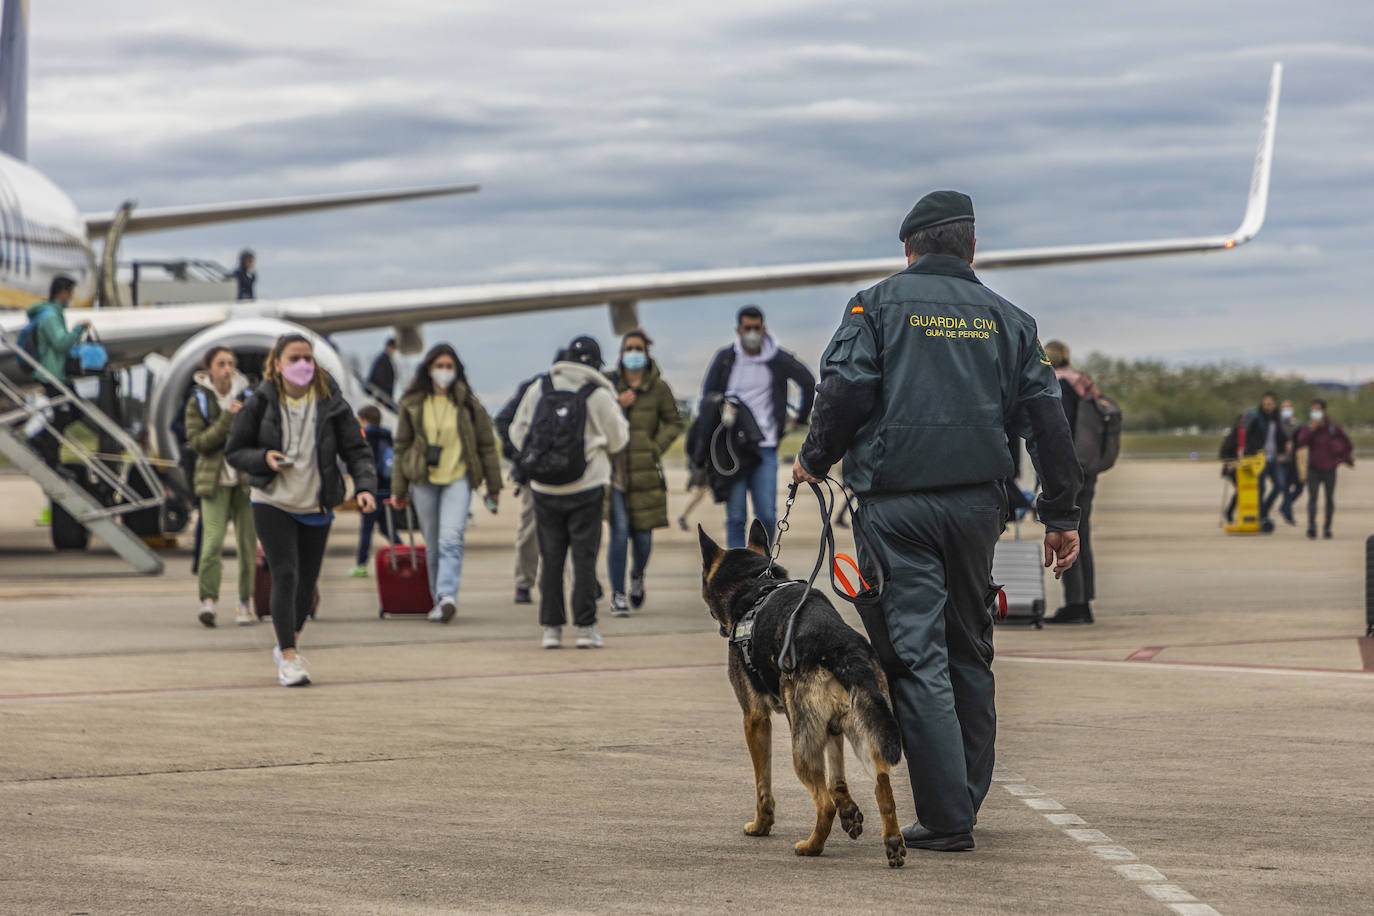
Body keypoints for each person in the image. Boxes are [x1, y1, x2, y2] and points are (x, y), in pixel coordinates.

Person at [793, 190, 1082, 852]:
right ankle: (963, 797)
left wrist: (813, 458)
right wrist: (1060, 515)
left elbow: (842, 392)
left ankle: (948, 817)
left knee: (917, 657)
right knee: (970, 649)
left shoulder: (875, 306)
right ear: (972, 249)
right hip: (978, 506)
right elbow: (1048, 423)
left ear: (908, 249)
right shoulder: (1012, 320)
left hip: (897, 510)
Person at [226, 334, 377, 687]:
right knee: (286, 573)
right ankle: (290, 658)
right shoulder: (260, 402)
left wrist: (365, 487)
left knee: (307, 586)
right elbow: (235, 450)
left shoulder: (332, 402)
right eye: (295, 358)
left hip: (316, 502)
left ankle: (287, 639)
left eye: (308, 358)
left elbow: (357, 449)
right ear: (277, 364)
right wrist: (263, 458)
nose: (304, 365)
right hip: (272, 500)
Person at [509, 336, 629, 649]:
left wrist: (541, 460)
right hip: (587, 486)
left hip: (545, 488)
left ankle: (551, 628)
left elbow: (517, 430)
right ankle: (586, 628)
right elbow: (618, 440)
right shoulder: (599, 393)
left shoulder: (541, 386)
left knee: (551, 559)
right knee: (584, 558)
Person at [387, 344, 502, 622]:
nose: (444, 372)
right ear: (428, 369)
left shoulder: (469, 405)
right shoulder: (412, 403)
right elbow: (402, 446)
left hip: (458, 478)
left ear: (457, 371)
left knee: (451, 538)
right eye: (440, 366)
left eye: (450, 367)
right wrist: (398, 490)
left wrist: (494, 487)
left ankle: (447, 594)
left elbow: (487, 447)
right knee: (434, 544)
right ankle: (438, 599)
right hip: (423, 479)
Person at [699, 305, 815, 549]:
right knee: (736, 517)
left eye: (756, 328)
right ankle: (736, 571)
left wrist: (801, 417)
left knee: (767, 515)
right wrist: (720, 406)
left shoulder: (776, 359)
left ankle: (762, 565)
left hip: (765, 447)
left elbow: (807, 380)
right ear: (738, 330)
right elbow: (707, 395)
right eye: (747, 328)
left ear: (764, 329)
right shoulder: (727, 359)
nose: (752, 333)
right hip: (733, 451)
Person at [606, 330, 683, 616]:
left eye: (638, 348)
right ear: (621, 352)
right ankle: (617, 594)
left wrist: (654, 447)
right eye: (629, 348)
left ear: (647, 353)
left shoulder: (658, 388)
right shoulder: (609, 384)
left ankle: (637, 575)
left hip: (645, 473)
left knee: (643, 538)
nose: (633, 353)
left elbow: (674, 422)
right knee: (618, 533)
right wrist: (616, 404)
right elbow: (596, 416)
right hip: (614, 474)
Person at [185, 347, 257, 628]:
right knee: (211, 544)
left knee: (247, 545)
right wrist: (227, 418)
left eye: (231, 363)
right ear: (209, 369)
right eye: (221, 363)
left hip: (244, 482)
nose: (227, 368)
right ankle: (208, 602)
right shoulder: (198, 401)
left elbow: (259, 434)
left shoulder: (249, 397)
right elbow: (200, 443)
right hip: (213, 482)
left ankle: (244, 603)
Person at [1044, 339, 1100, 625]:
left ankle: (1075, 603)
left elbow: (1058, 430)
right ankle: (1084, 602)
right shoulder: (1083, 381)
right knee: (1083, 534)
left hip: (1070, 469)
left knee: (1069, 528)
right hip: (1089, 466)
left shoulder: (1060, 384)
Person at [25, 276, 91, 467]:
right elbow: (61, 343)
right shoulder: (50, 316)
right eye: (70, 292)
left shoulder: (53, 314)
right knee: (64, 414)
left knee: (73, 411)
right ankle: (44, 447)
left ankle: (46, 447)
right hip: (51, 375)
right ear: (62, 293)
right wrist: (79, 329)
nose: (71, 297)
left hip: (57, 374)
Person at [495, 368, 546, 605]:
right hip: (535, 475)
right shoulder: (535, 387)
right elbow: (504, 421)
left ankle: (566, 581)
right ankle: (524, 583)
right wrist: (520, 457)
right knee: (530, 530)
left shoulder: (584, 389)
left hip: (569, 474)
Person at [351, 404, 399, 577]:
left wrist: (359, 491)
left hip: (371, 491)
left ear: (364, 420)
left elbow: (363, 466)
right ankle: (403, 553)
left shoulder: (365, 438)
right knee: (387, 528)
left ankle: (361, 565)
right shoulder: (387, 436)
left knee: (366, 529)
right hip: (387, 489)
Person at [1295, 399, 1354, 540]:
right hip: (1313, 468)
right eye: (1313, 410)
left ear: (1324, 411)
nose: (1315, 413)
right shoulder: (1308, 427)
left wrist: (1341, 458)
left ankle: (1327, 528)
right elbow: (1301, 442)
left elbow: (1348, 444)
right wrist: (1312, 430)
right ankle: (1312, 527)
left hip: (1330, 469)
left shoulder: (1333, 427)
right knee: (1312, 499)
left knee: (1329, 499)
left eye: (1317, 410)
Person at [1245, 392, 1289, 523]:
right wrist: (1257, 448)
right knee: (1261, 488)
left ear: (1274, 404)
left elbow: (1280, 436)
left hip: (1273, 458)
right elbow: (1249, 437)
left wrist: (1286, 445)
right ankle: (1261, 516)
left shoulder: (1277, 418)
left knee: (1280, 486)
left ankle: (1264, 510)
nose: (1267, 406)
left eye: (1269, 404)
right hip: (1260, 459)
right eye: (1265, 404)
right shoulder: (1257, 418)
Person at [1278, 398, 1303, 523]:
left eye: (1288, 408)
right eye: (1283, 408)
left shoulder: (1298, 424)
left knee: (1300, 487)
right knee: (1286, 488)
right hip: (1283, 460)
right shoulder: (1277, 424)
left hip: (1295, 461)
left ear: (1292, 409)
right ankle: (1289, 515)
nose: (1286, 410)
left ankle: (1284, 507)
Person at [367, 338, 399, 407]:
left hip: (384, 396)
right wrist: (383, 395)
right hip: (381, 396)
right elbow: (379, 378)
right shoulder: (383, 360)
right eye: (393, 348)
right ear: (388, 347)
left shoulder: (386, 360)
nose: (394, 351)